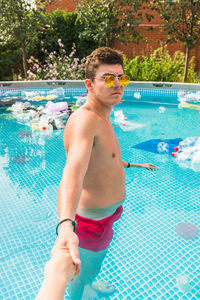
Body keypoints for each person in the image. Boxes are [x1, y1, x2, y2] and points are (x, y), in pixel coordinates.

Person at [52, 47, 158, 299]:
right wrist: (66, 224)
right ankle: (81, 290)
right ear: (89, 84)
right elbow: (73, 172)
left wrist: (134, 165)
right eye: (109, 78)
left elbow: (104, 161)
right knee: (81, 274)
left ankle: (89, 281)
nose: (118, 84)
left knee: (93, 265)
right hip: (92, 223)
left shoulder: (102, 117)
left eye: (121, 78)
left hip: (106, 216)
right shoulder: (85, 120)